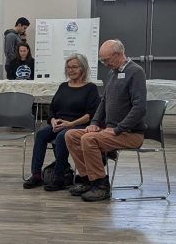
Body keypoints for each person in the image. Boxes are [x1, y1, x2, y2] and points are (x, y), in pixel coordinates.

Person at [64, 40, 146, 202]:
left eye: (106, 60)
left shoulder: (136, 72)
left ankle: (101, 185)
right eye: (102, 60)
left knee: (88, 139)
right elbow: (104, 101)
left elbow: (139, 108)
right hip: (110, 130)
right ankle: (88, 178)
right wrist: (94, 123)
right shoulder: (113, 72)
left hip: (130, 133)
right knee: (71, 135)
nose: (105, 64)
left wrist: (118, 129)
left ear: (118, 54)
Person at [23, 53, 100, 191]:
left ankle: (59, 177)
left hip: (77, 125)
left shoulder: (91, 88)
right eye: (68, 67)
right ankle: (36, 175)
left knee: (61, 137)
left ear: (83, 68)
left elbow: (91, 114)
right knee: (41, 134)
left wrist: (71, 124)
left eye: (75, 67)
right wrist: (52, 120)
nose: (71, 70)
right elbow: (52, 108)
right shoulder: (63, 86)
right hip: (59, 123)